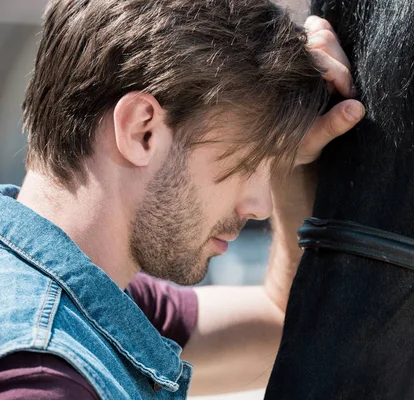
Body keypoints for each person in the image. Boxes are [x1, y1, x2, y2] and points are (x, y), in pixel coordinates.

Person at [0, 0, 365, 398]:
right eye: (246, 162)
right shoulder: (42, 380)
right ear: (143, 131)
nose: (261, 205)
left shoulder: (92, 300)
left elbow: (283, 324)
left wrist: (291, 162)